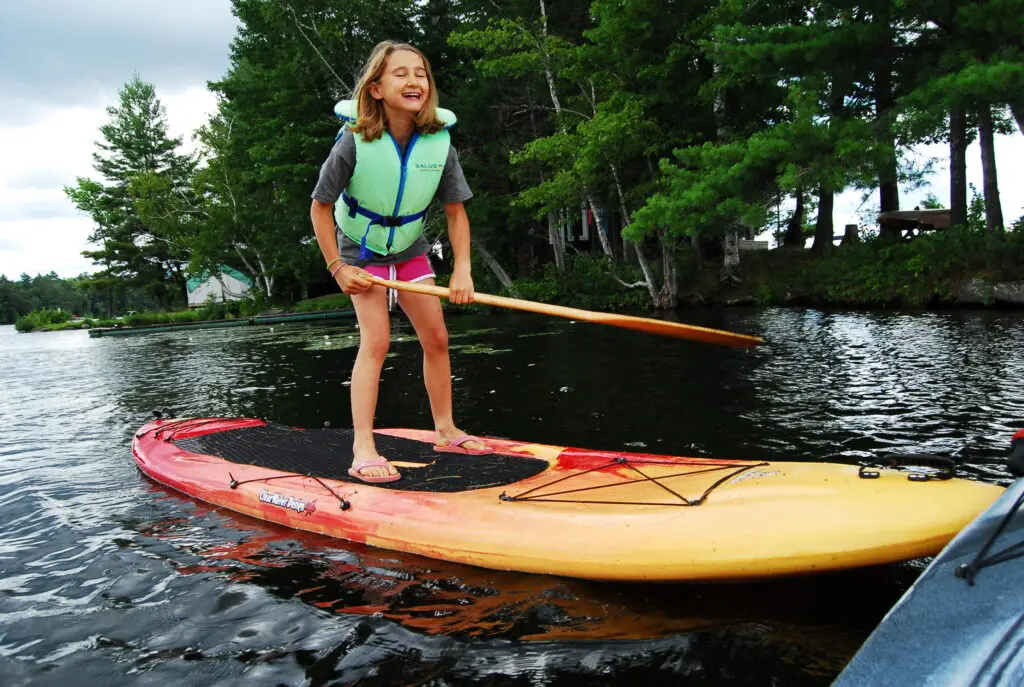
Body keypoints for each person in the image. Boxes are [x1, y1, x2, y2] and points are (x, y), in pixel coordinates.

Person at [310, 40, 491, 484]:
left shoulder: (440, 145)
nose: (414, 81)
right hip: (361, 251)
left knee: (438, 338)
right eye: (401, 74)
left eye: (422, 73)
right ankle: (363, 448)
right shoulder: (353, 144)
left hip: (410, 248)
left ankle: (445, 430)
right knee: (377, 342)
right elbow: (319, 207)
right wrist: (337, 267)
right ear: (374, 89)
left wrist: (462, 269)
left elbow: (456, 212)